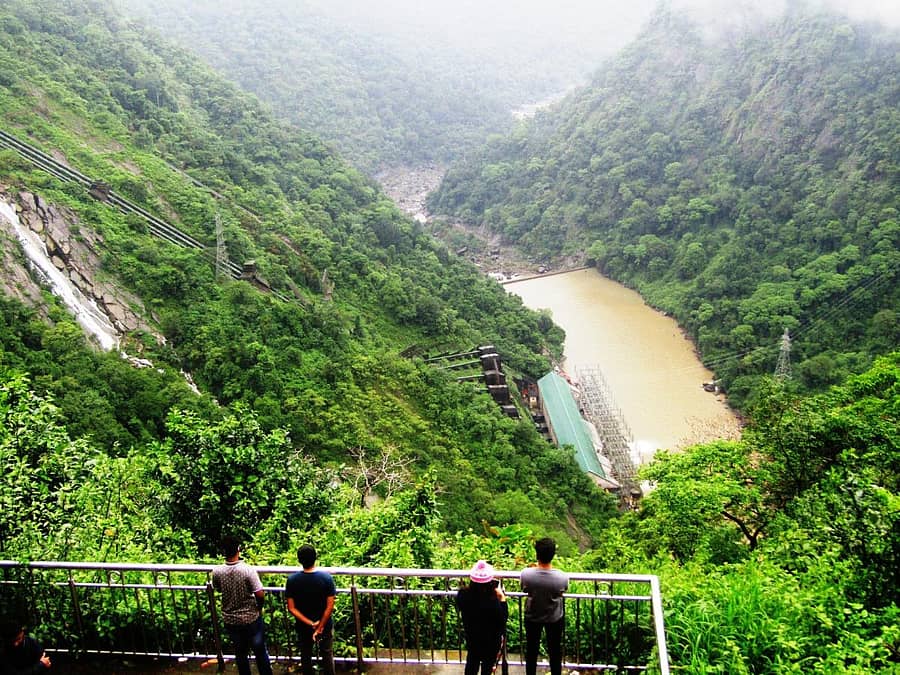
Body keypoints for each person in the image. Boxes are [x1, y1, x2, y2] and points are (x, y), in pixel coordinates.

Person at [211, 535, 274, 675]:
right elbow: (259, 593)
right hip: (250, 618)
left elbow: (218, 588)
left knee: (240, 652)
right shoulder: (247, 570)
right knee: (259, 650)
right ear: (238, 550)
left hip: (230, 619)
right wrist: (259, 606)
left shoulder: (217, 571)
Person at [285, 544, 336, 675]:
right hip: (325, 624)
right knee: (327, 653)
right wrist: (319, 627)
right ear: (315, 558)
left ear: (299, 560)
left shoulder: (292, 580)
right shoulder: (326, 578)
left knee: (306, 654)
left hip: (303, 626)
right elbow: (330, 606)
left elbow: (291, 608)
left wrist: (311, 623)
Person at [520, 537, 569, 675]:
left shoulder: (526, 574)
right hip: (554, 617)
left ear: (537, 554)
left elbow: (524, 589)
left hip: (532, 616)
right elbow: (563, 590)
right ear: (553, 555)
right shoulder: (562, 577)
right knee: (554, 650)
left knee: (531, 650)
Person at [455, 560, 508, 675]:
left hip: (472, 638)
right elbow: (502, 620)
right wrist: (502, 599)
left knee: (471, 663)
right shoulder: (493, 602)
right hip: (491, 642)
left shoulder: (463, 595)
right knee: (487, 666)